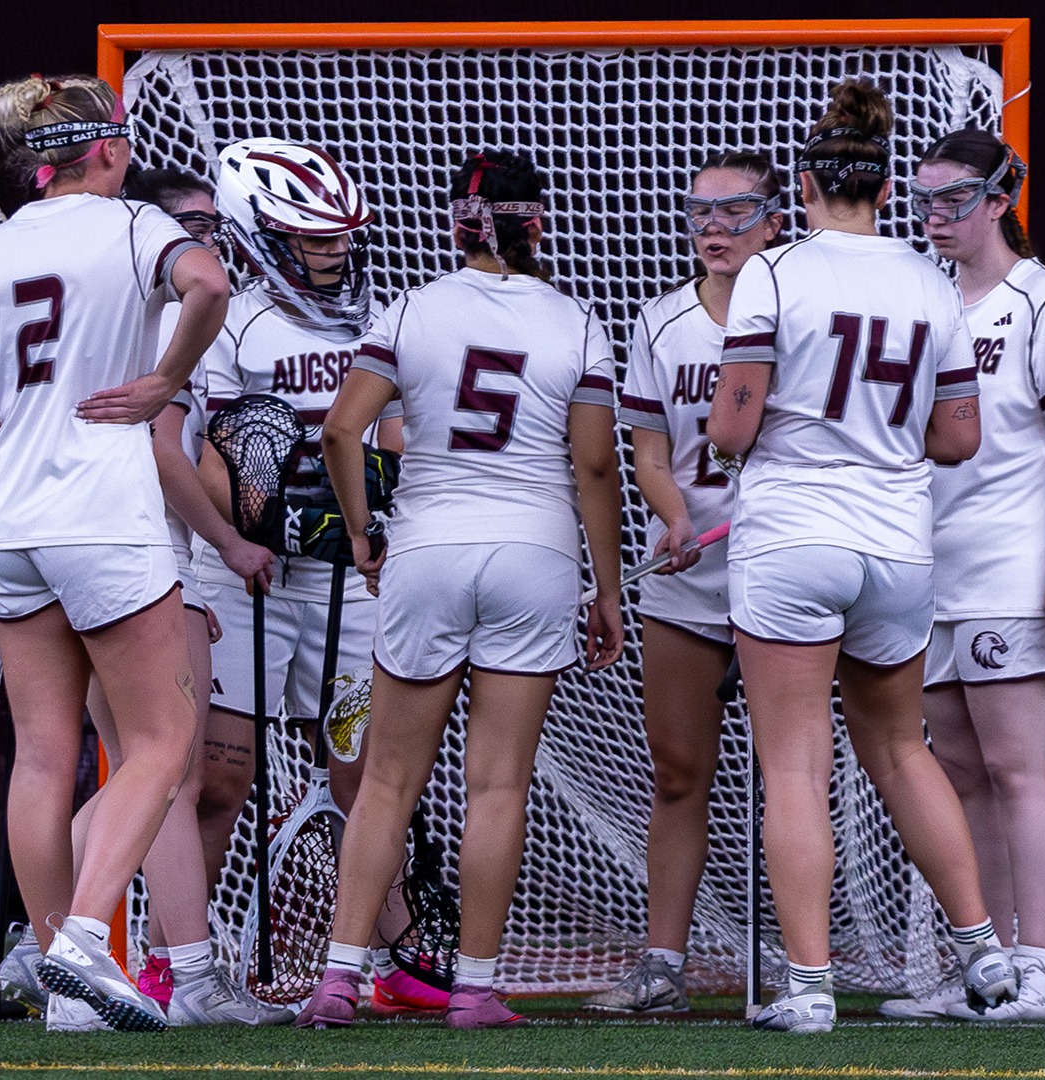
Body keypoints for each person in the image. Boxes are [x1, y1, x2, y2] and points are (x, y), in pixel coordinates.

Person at [704, 79, 1015, 1034]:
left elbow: (729, 430)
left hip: (796, 537)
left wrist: (803, 436)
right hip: (897, 546)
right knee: (902, 750)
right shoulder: (931, 282)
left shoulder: (774, 274)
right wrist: (878, 440)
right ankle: (988, 959)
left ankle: (807, 989)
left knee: (795, 767)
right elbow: (959, 438)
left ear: (804, 185)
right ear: (885, 190)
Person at [297, 149, 625, 1030]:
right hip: (536, 552)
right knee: (498, 786)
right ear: (539, 224)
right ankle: (474, 985)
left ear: (456, 225)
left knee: (386, 782)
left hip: (428, 549)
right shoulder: (577, 322)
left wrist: (365, 532)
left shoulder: (411, 309)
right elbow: (594, 463)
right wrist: (608, 587)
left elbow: (340, 430)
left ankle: (338, 975)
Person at [0, 72, 230, 1033]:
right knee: (159, 740)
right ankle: (79, 948)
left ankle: (66, 984)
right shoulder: (137, 224)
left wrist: (40, 406)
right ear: (105, 148)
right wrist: (161, 381)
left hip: (11, 521)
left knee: (40, 755)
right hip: (103, 511)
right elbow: (209, 285)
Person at [188, 138, 437, 1014]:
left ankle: (386, 952)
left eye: (339, 236)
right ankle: (178, 957)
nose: (333, 251)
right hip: (248, 578)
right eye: (309, 237)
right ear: (258, 235)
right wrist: (246, 530)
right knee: (220, 776)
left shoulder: (386, 314)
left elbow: (396, 431)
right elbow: (210, 450)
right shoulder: (233, 323)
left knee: (364, 775)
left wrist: (380, 510)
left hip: (353, 577)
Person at [877, 129, 1045, 1022]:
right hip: (930, 572)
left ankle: (1043, 968)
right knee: (962, 773)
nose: (936, 216)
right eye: (925, 199)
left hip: (1015, 567)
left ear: (1002, 198)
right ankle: (995, 968)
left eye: (955, 199)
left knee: (1019, 770)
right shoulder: (927, 305)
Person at [584, 152, 785, 1014]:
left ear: (777, 219)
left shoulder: (802, 310)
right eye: (701, 212)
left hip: (785, 569)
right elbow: (649, 452)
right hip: (687, 574)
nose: (713, 227)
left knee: (791, 770)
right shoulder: (664, 325)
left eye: (735, 212)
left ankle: (795, 960)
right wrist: (671, 516)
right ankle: (663, 964)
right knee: (677, 772)